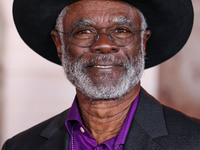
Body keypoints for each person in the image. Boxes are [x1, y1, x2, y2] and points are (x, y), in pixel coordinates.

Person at [2, 0, 200, 149]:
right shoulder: (21, 146)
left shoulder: (195, 140)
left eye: (122, 30)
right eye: (84, 31)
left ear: (143, 43)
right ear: (59, 44)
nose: (104, 45)